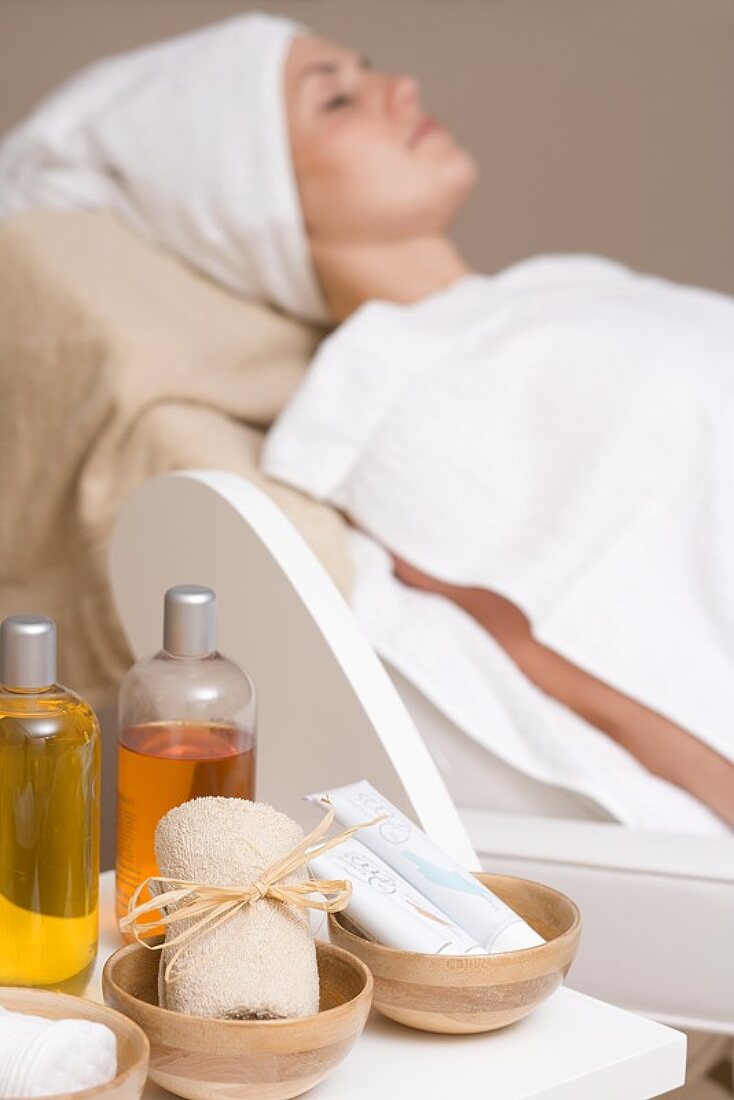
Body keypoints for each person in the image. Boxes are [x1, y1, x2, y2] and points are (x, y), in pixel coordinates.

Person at [1, 14, 732, 826]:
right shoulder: (390, 390)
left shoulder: (564, 282)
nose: (400, 88)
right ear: (246, 192)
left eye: (367, 70)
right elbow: (579, 644)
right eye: (338, 100)